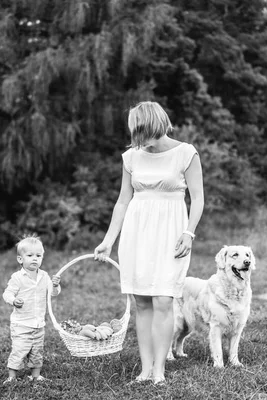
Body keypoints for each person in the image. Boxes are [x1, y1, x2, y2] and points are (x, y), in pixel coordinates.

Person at [94, 101, 204, 385]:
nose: (137, 138)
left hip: (171, 232)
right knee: (142, 301)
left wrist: (189, 233)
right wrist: (108, 240)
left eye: (139, 131)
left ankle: (159, 372)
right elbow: (122, 200)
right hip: (137, 230)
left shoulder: (186, 153)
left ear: (152, 126)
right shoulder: (131, 157)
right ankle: (145, 370)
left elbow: (198, 198)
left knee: (164, 299)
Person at [2, 234, 61, 384]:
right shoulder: (17, 277)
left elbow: (53, 293)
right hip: (21, 324)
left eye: (38, 255)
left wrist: (54, 285)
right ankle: (12, 377)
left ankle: (35, 375)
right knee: (19, 350)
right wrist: (14, 301)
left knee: (37, 351)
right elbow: (7, 293)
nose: (35, 258)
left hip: (38, 323)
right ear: (20, 259)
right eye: (30, 255)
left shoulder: (44, 276)